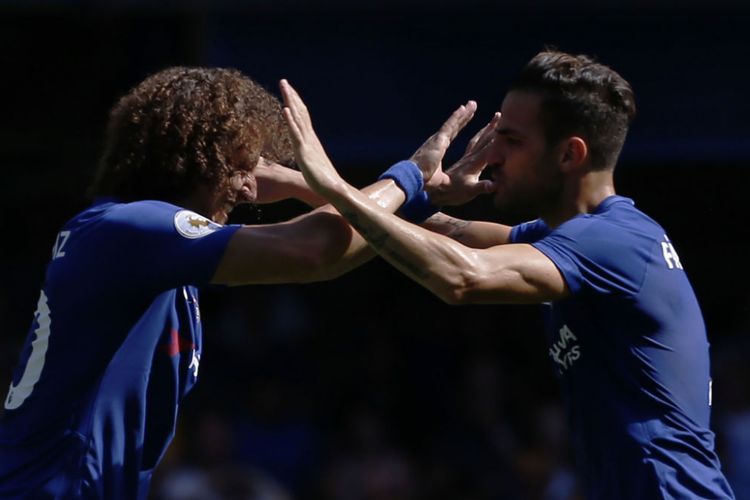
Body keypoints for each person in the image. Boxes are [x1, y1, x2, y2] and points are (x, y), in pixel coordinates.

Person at [0, 67, 483, 498]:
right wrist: (408, 177)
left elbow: (339, 237)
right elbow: (318, 250)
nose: (250, 186)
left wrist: (380, 195)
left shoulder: (143, 246)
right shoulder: (132, 229)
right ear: (193, 157)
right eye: (239, 165)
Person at [285, 50, 736, 499]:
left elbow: (461, 276)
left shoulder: (614, 242)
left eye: (512, 141)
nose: (493, 154)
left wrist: (338, 187)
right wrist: (301, 182)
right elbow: (450, 235)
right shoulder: (567, 236)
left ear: (569, 154)